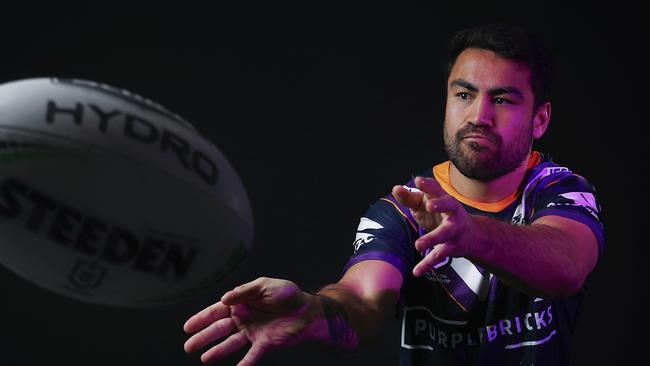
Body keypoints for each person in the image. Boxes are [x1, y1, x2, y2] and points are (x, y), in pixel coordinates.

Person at [182, 23, 604, 366]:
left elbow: (565, 264)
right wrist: (312, 313)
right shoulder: (403, 210)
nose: (479, 116)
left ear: (540, 119)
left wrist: (471, 235)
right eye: (463, 94)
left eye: (504, 100)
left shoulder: (559, 189)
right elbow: (361, 302)